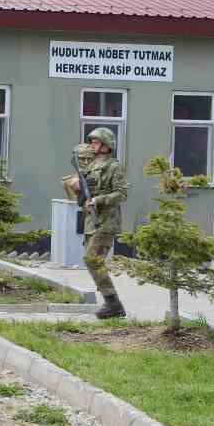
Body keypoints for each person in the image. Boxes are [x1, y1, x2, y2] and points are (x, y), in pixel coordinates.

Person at [79, 127, 128, 319]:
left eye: (97, 142)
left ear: (107, 146)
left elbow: (121, 194)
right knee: (91, 260)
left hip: (106, 221)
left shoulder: (114, 166)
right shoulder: (90, 165)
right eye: (92, 141)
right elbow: (85, 189)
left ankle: (113, 304)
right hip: (91, 219)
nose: (92, 144)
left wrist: (99, 200)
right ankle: (112, 303)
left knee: (93, 259)